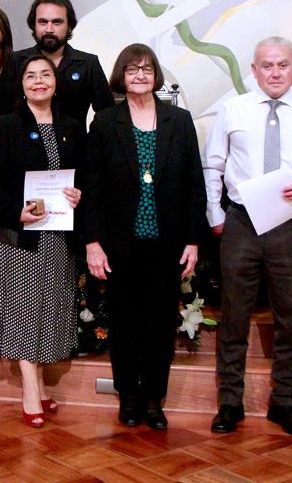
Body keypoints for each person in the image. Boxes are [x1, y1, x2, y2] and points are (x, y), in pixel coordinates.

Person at [203, 36, 292, 437]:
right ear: (254, 70)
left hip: (291, 224)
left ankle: (285, 403)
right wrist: (215, 214)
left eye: (282, 65)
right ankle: (230, 402)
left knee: (290, 317)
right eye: (266, 65)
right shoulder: (232, 109)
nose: (274, 73)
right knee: (235, 315)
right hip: (241, 222)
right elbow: (213, 167)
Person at [81, 43, 206, 430]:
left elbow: (194, 186)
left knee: (158, 324)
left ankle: (154, 397)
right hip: (120, 245)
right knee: (124, 324)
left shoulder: (179, 121)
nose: (140, 75)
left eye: (147, 69)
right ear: (121, 74)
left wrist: (193, 239)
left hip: (167, 244)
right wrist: (93, 243)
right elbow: (92, 189)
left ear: (156, 76)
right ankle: (129, 397)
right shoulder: (104, 122)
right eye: (132, 69)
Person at [0, 55, 83, 428]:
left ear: (55, 82)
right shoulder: (8, 125)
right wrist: (16, 213)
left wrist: (77, 195)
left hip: (58, 235)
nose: (38, 81)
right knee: (25, 312)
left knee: (47, 311)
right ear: (21, 84)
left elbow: (85, 175)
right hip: (19, 238)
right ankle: (29, 391)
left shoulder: (72, 127)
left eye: (45, 75)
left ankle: (39, 386)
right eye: (30, 76)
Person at [0, 0, 114, 126]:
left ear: (69, 26)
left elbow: (108, 115)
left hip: (76, 145)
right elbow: (1, 115)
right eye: (43, 22)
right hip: (24, 145)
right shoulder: (16, 61)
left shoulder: (88, 64)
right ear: (34, 25)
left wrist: (91, 143)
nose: (49, 29)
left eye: (57, 22)